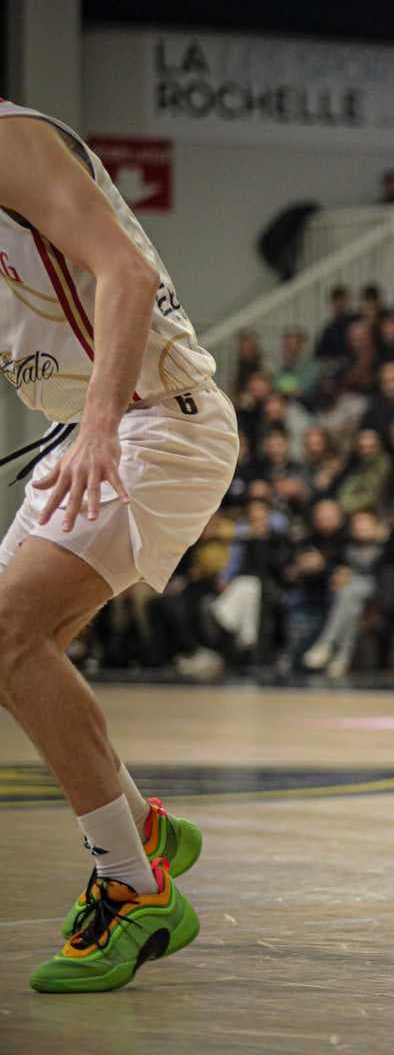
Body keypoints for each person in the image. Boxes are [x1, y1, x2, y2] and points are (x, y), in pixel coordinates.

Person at [0, 100, 238, 991]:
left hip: (154, 422)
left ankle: (133, 886)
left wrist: (97, 425)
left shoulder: (8, 141)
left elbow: (127, 276)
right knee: (11, 651)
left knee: (10, 633)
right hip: (98, 427)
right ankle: (141, 828)